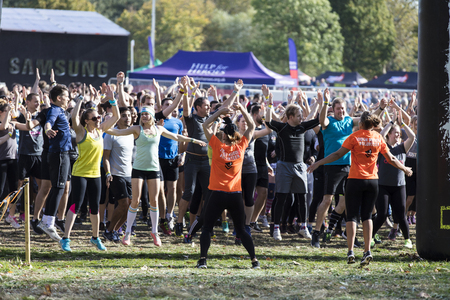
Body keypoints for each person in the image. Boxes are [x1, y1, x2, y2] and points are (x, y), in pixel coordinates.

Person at [307, 111, 412, 266]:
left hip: (355, 180)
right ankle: (367, 251)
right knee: (367, 217)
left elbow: (337, 154)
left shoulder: (354, 137)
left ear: (361, 124)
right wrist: (404, 169)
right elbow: (391, 158)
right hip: (372, 182)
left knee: (352, 217)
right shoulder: (378, 138)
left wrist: (318, 162)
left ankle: (350, 251)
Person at [105, 105, 206, 246]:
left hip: (153, 168)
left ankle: (155, 232)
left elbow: (176, 136)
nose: (144, 116)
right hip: (138, 169)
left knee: (154, 201)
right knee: (135, 201)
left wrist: (194, 140)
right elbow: (117, 132)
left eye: (147, 114)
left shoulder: (159, 129)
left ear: (152, 116)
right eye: (143, 114)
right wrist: (103, 128)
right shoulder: (136, 129)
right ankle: (127, 233)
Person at [197, 102, 259, 269]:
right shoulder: (241, 147)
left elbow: (204, 125)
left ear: (223, 135)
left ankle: (203, 260)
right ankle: (254, 260)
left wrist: (219, 112)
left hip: (217, 194)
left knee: (207, 228)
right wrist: (242, 110)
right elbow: (252, 125)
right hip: (235, 195)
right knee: (241, 230)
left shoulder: (217, 146)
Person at [58, 83, 119, 252]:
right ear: (87, 121)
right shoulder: (81, 132)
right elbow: (74, 117)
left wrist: (112, 99)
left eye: (98, 117)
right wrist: (80, 100)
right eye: (94, 118)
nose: (98, 119)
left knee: (95, 207)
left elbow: (116, 117)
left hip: (95, 175)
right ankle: (65, 239)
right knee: (75, 207)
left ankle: (95, 238)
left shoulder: (100, 131)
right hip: (80, 174)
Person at [264, 86, 320, 241]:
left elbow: (318, 120)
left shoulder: (302, 127)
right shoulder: (282, 128)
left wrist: (323, 103)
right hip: (284, 166)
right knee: (281, 197)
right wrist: (269, 102)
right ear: (290, 117)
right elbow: (268, 122)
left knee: (302, 197)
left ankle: (303, 227)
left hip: (300, 166)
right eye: (298, 115)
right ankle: (276, 228)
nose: (301, 116)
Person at [371, 109, 416, 249]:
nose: (397, 135)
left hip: (399, 186)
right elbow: (380, 134)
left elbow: (412, 136)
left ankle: (407, 239)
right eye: (395, 133)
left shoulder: (402, 147)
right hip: (383, 185)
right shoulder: (383, 147)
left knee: (401, 214)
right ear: (389, 134)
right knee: (382, 214)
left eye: (398, 133)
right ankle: (371, 237)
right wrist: (391, 123)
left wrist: (402, 124)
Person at [102, 106, 134, 243]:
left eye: (129, 115)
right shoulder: (111, 134)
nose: (127, 118)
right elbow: (106, 157)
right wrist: (108, 173)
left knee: (132, 206)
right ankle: (109, 230)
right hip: (116, 174)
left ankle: (114, 230)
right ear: (118, 118)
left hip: (130, 174)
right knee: (122, 204)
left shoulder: (132, 133)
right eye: (124, 115)